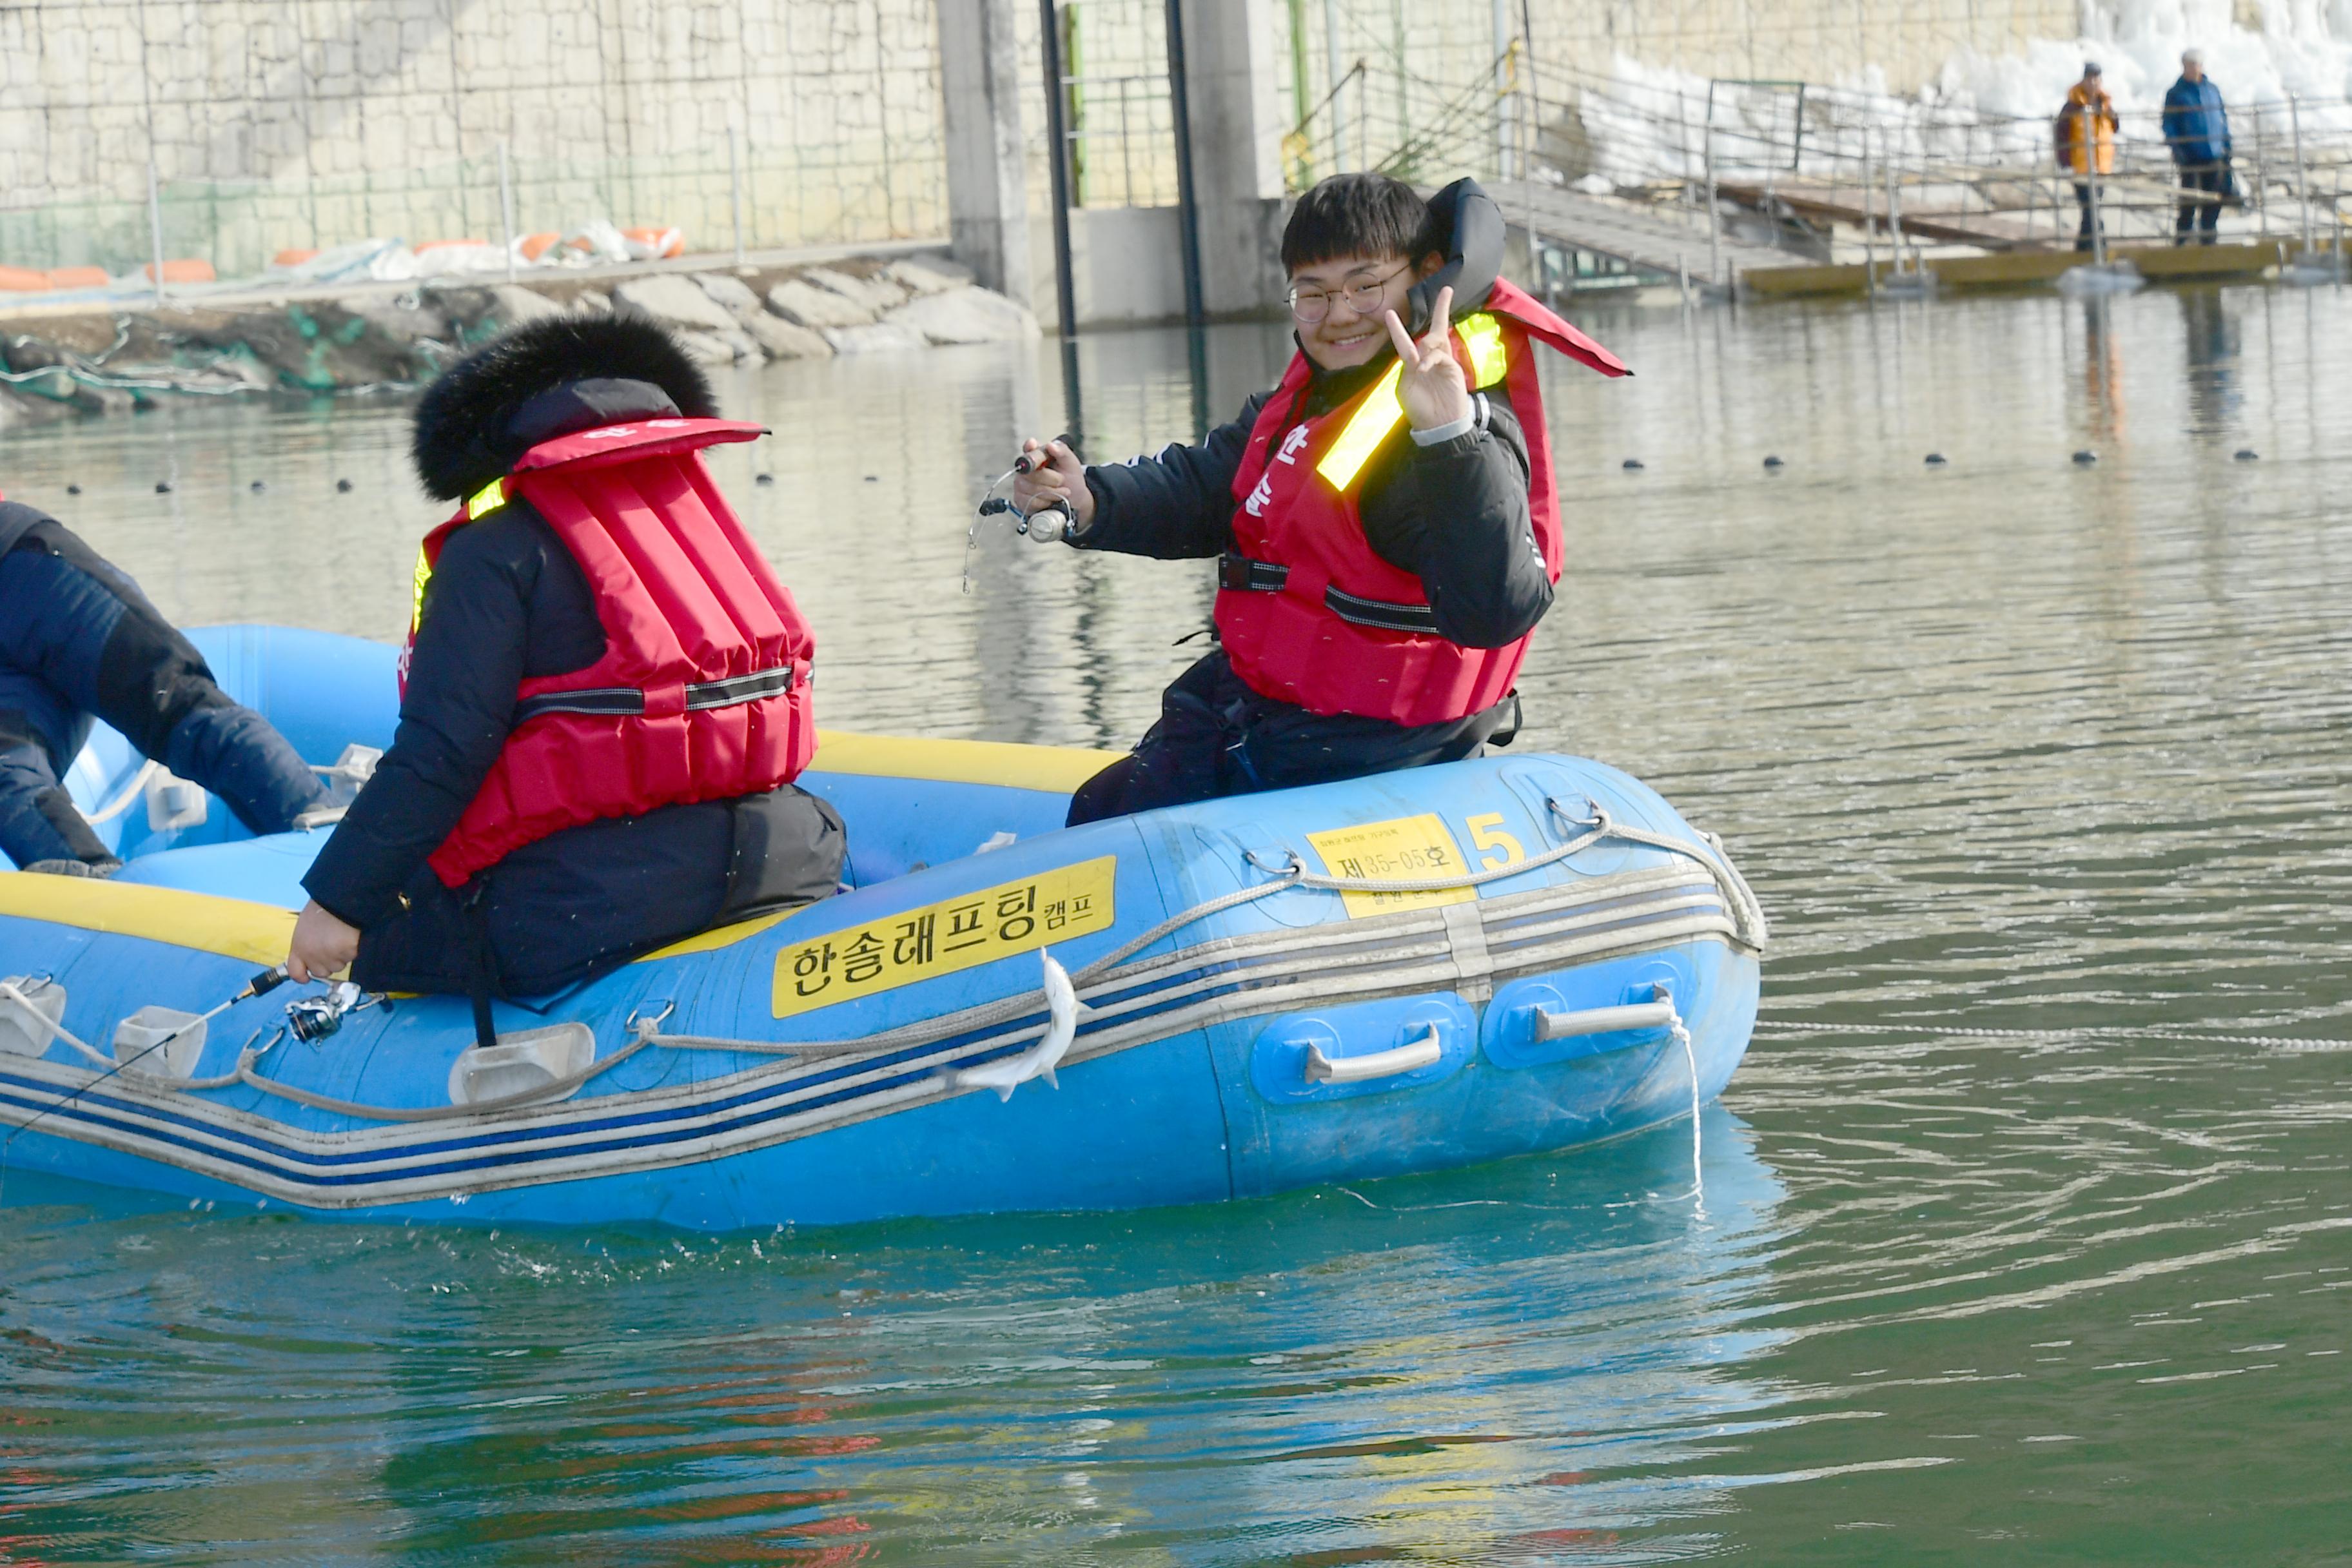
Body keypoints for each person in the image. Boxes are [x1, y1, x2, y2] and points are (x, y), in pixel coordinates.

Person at [1012, 174, 1627, 827]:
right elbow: (1210, 485)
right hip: (1272, 717)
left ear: (1423, 278)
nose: (1338, 314)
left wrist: (1447, 432)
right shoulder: (1316, 394)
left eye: (1366, 287)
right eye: (1313, 293)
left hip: (1374, 751)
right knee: (1097, 810)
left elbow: (1497, 608)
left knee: (1110, 825)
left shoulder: (1458, 423)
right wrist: (1087, 497)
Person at [286, 316, 844, 1029]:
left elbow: (444, 750)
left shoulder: (491, 552)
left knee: (385, 947)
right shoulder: (691, 518)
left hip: (600, 900)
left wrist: (337, 904)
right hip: (793, 849)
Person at [0, 495, 331, 875]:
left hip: (22, 566)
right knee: (10, 776)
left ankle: (342, 859)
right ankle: (104, 902)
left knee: (179, 705)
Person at [2163, 49, 2233, 246]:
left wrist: (2227, 146)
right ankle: (2183, 238)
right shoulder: (2176, 93)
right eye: (2189, 65)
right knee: (2189, 199)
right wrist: (2178, 149)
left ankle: (2208, 237)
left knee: (2214, 198)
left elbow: (2221, 119)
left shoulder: (2212, 90)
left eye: (2196, 64)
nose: (2193, 68)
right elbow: (2169, 124)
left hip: (2214, 152)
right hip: (2190, 155)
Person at [2057, 63, 2121, 253]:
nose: (2093, 83)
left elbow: (2116, 127)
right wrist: (2065, 164)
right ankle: (2099, 246)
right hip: (2080, 166)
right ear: (2083, 80)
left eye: (2097, 79)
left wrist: (2109, 112)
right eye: (2090, 78)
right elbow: (2061, 137)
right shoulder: (2072, 107)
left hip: (2101, 167)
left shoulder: (2105, 104)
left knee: (2092, 208)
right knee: (2090, 207)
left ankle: (2084, 248)